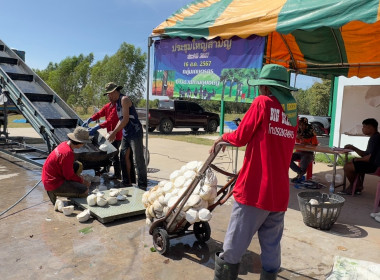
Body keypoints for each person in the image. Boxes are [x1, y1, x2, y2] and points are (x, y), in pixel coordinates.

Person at [210, 64, 298, 280]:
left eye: (261, 87)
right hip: (278, 193)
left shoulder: (262, 103)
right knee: (271, 247)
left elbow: (240, 136)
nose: (260, 91)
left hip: (254, 190)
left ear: (267, 88)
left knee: (234, 245)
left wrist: (223, 138)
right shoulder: (292, 112)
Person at [105, 82, 147, 190]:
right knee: (123, 157)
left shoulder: (124, 100)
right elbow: (121, 120)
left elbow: (125, 119)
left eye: (109, 94)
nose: (108, 97)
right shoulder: (117, 103)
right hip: (126, 133)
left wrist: (114, 133)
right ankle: (127, 182)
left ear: (114, 92)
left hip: (135, 132)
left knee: (138, 159)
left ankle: (142, 185)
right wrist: (113, 131)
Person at [42, 126, 92, 205]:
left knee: (78, 165)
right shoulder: (68, 153)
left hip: (49, 178)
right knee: (85, 191)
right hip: (53, 183)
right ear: (80, 143)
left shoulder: (64, 144)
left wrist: (78, 179)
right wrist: (82, 181)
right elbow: (68, 176)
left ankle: (71, 188)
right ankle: (55, 193)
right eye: (84, 143)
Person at [82, 97, 123, 180]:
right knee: (107, 152)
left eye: (111, 96)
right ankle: (106, 169)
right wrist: (91, 119)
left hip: (116, 135)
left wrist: (97, 127)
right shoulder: (107, 106)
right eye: (109, 96)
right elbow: (99, 113)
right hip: (109, 135)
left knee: (114, 154)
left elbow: (110, 121)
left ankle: (117, 174)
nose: (110, 98)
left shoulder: (117, 108)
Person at [341, 118, 380, 194]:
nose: (362, 129)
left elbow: (369, 158)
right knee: (354, 162)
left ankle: (355, 186)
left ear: (370, 127)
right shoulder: (375, 137)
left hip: (375, 166)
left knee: (348, 166)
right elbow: (366, 154)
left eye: (364, 127)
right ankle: (358, 185)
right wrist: (354, 148)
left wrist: (356, 160)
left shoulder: (375, 139)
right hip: (373, 163)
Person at [289, 117, 319, 182]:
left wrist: (307, 143)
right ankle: (300, 173)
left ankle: (299, 175)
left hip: (308, 153)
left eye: (303, 125)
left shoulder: (311, 132)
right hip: (298, 152)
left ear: (306, 125)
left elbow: (315, 144)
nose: (301, 126)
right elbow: (296, 142)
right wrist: (296, 137)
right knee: (288, 158)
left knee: (304, 161)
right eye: (300, 124)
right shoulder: (298, 131)